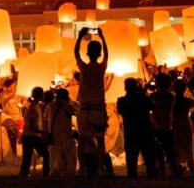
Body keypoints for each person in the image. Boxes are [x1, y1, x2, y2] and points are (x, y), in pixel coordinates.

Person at [74, 27, 110, 174]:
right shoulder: (101, 67)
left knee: (82, 141)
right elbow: (107, 55)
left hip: (84, 109)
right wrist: (102, 36)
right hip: (98, 109)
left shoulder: (83, 68)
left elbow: (76, 53)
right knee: (100, 141)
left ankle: (82, 167)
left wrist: (80, 37)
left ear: (87, 54)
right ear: (99, 53)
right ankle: (101, 167)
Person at [116, 79, 156, 177]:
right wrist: (142, 93)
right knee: (149, 160)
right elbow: (153, 106)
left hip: (130, 133)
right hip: (145, 131)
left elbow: (121, 111)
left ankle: (132, 182)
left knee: (131, 162)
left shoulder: (122, 100)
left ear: (125, 88)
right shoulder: (143, 98)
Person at [46, 87, 77, 177]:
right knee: (69, 160)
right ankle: (68, 179)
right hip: (67, 136)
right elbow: (77, 111)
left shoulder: (50, 106)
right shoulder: (68, 106)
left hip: (54, 137)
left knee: (55, 160)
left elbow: (45, 119)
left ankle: (55, 177)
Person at [18, 87, 49, 176]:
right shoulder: (33, 108)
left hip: (29, 135)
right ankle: (45, 174)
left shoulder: (35, 106)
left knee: (27, 158)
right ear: (40, 95)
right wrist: (42, 132)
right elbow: (31, 125)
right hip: (31, 136)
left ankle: (23, 175)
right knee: (46, 154)